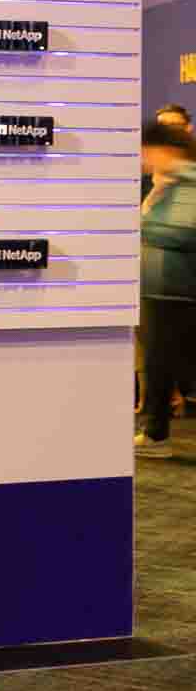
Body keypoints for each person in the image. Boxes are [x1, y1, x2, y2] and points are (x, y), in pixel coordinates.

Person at [137, 120, 196, 458]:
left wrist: (138, 224)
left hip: (179, 290)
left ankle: (156, 434)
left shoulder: (188, 183)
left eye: (148, 150)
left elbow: (183, 230)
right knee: (159, 363)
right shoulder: (166, 184)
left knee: (170, 362)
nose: (144, 157)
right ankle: (155, 433)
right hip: (161, 289)